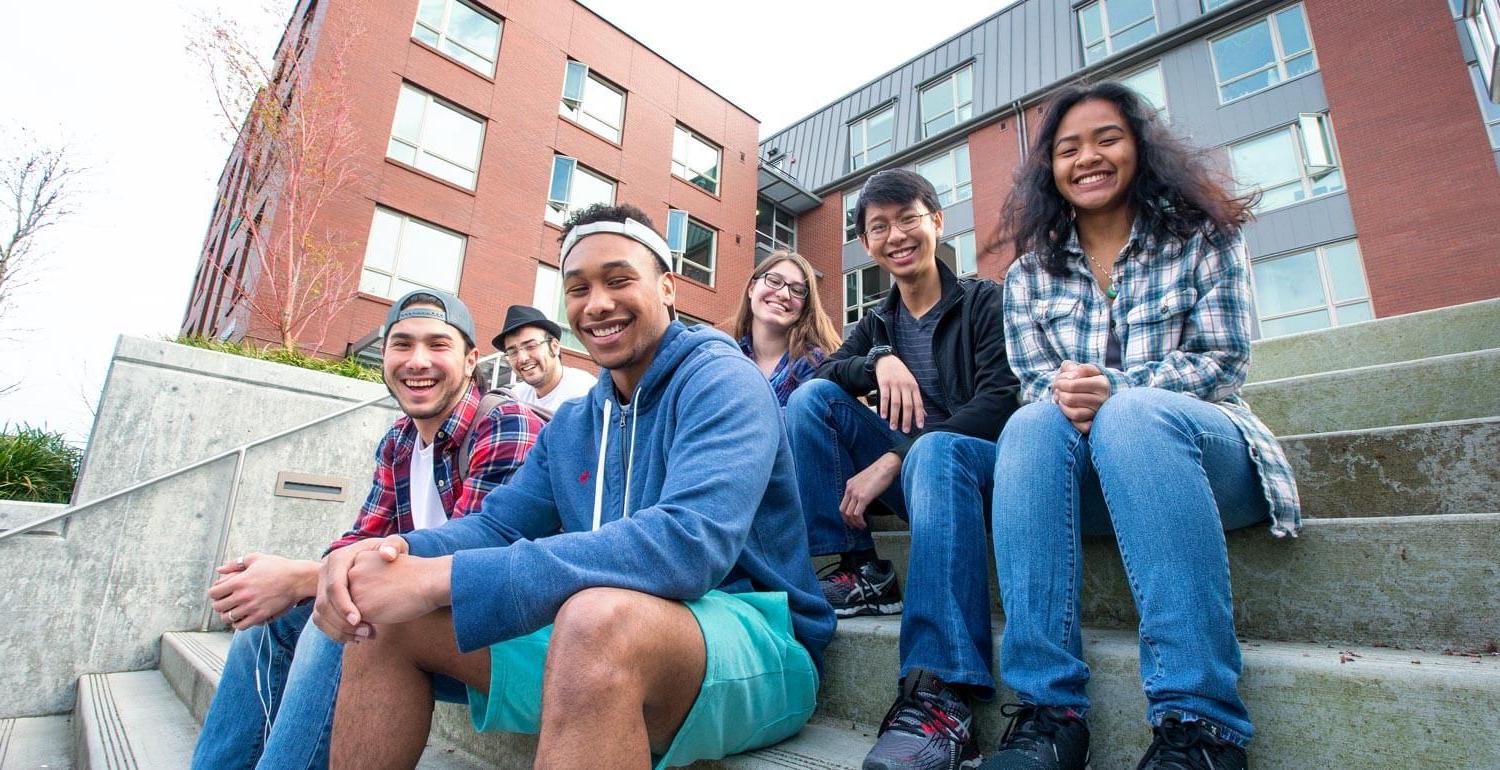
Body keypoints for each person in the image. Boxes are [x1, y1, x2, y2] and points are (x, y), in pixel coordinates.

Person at [311, 203, 835, 769]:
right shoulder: (575, 421)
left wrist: (444, 579)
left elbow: (689, 544)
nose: (598, 303)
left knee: (595, 618)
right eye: (578, 287)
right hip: (602, 638)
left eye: (618, 279)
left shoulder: (723, 379)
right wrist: (390, 554)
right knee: (385, 620)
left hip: (755, 635)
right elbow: (496, 525)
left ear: (666, 287)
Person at [983, 82, 1301, 770]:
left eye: (1107, 139)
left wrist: (1116, 388)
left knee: (1129, 413)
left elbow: (1224, 362)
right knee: (1030, 426)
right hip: (1091, 482)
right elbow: (1038, 382)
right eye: (1068, 148)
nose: (1087, 158)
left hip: (1205, 461)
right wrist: (1069, 394)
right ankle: (1049, 717)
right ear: (1050, 170)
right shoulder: (1029, 276)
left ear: (1140, 148)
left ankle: (1200, 726)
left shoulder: (1201, 239)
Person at [190, 290, 544, 770]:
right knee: (274, 624)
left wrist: (300, 577)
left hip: (503, 627)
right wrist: (305, 581)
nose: (418, 361)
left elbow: (472, 559)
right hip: (425, 616)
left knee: (342, 624)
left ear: (470, 360)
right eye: (402, 345)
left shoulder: (506, 423)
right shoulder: (399, 440)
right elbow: (357, 541)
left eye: (438, 345)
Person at [783, 169, 1020, 770]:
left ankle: (942, 694)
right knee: (810, 402)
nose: (896, 236)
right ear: (867, 244)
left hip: (973, 470)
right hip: (915, 480)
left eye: (908, 218)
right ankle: (860, 570)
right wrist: (879, 361)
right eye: (879, 227)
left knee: (934, 454)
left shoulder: (983, 300)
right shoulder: (877, 322)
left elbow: (1000, 400)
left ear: (937, 222)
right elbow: (824, 376)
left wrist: (896, 455)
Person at [730, 249, 841, 407]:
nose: (783, 294)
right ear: (752, 288)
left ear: (805, 306)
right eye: (774, 281)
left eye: (797, 290)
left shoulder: (814, 362)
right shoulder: (728, 356)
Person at [496, 304, 596, 412]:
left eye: (531, 346)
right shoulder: (516, 397)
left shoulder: (586, 392)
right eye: (512, 352)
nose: (522, 359)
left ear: (554, 346)